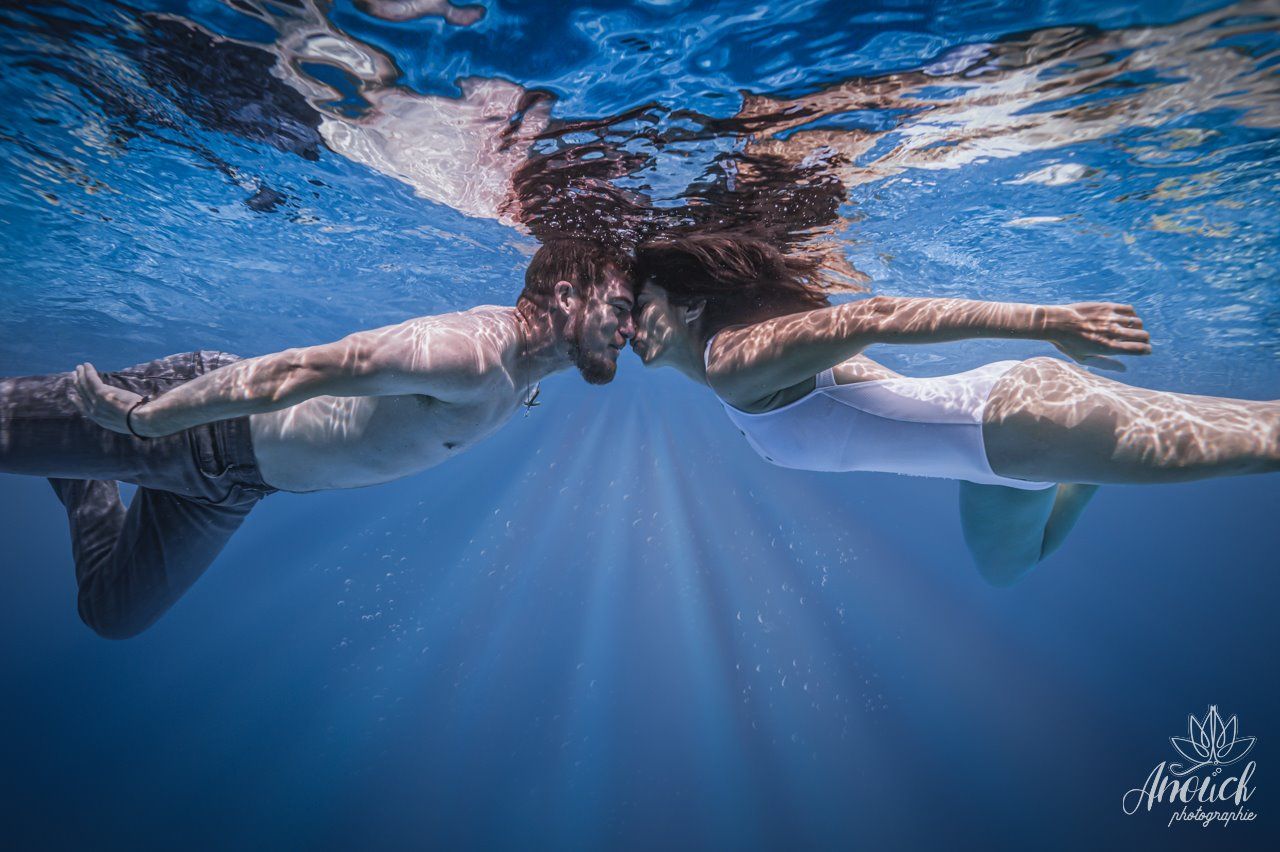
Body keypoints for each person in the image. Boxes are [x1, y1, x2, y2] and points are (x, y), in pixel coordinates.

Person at [0, 239, 636, 639]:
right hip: (193, 423)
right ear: (565, 296)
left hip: (233, 487)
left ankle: (79, 471)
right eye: (620, 309)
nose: (629, 330)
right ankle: (81, 436)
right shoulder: (470, 354)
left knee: (113, 612)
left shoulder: (525, 376)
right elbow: (303, 369)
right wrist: (149, 418)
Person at [629, 232, 1278, 585]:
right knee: (1006, 568)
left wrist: (1050, 320)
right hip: (993, 454)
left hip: (1023, 418)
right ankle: (1084, 471)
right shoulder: (732, 358)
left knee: (1266, 439)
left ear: (688, 302)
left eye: (640, 306)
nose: (629, 327)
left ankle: (1084, 452)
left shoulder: (732, 360)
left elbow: (877, 314)